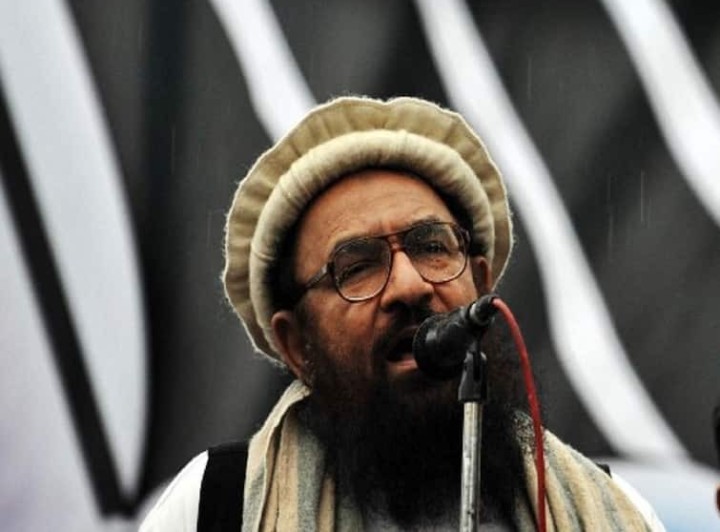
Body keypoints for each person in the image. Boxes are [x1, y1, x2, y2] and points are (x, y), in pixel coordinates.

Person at [140, 96, 664, 530]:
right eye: (356, 267)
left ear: (481, 284)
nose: (410, 286)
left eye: (432, 246)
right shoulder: (213, 508)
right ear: (297, 344)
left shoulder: (615, 513)